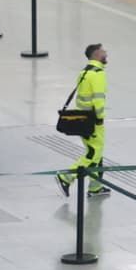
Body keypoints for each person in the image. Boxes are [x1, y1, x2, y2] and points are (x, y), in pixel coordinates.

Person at [57, 43, 109, 198]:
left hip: (82, 118)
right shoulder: (98, 73)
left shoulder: (84, 72)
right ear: (96, 54)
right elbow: (99, 100)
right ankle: (67, 177)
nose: (106, 53)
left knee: (96, 153)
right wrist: (99, 119)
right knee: (93, 153)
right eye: (103, 51)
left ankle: (95, 187)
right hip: (93, 120)